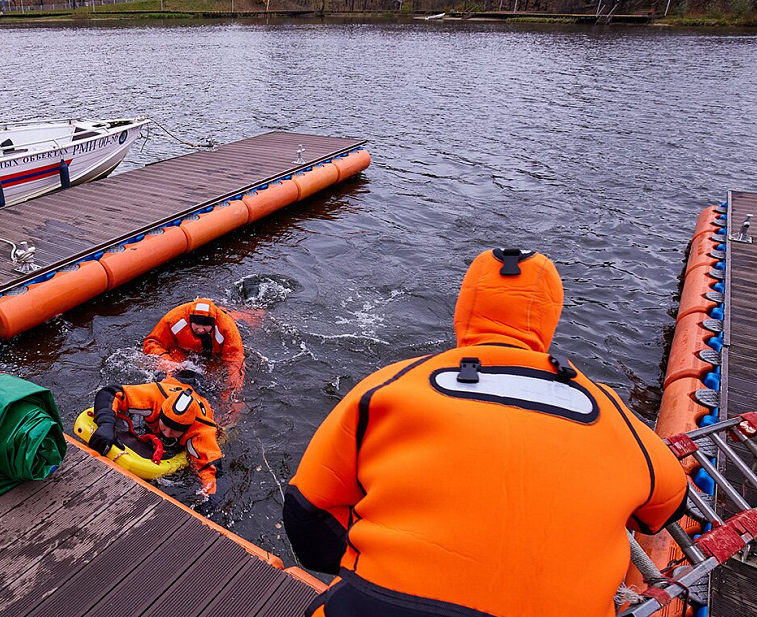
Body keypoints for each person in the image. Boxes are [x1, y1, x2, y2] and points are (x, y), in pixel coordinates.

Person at [282, 248, 689, 617]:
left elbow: (306, 513)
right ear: (550, 318)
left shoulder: (389, 386)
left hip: (383, 604)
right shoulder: (609, 410)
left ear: (464, 310)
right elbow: (667, 509)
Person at [88, 377, 223, 498]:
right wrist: (106, 425)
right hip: (174, 382)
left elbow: (211, 471)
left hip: (206, 397)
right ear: (161, 413)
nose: (166, 433)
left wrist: (206, 496)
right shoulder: (154, 397)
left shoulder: (202, 429)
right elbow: (109, 393)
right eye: (164, 425)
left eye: (175, 431)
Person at [142, 298, 245, 396]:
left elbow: (235, 358)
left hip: (214, 357)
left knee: (214, 382)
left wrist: (231, 388)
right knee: (173, 375)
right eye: (196, 324)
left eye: (205, 326)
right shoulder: (174, 318)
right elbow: (152, 342)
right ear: (190, 320)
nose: (200, 330)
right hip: (180, 351)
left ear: (213, 323)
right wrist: (167, 363)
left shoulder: (227, 327)